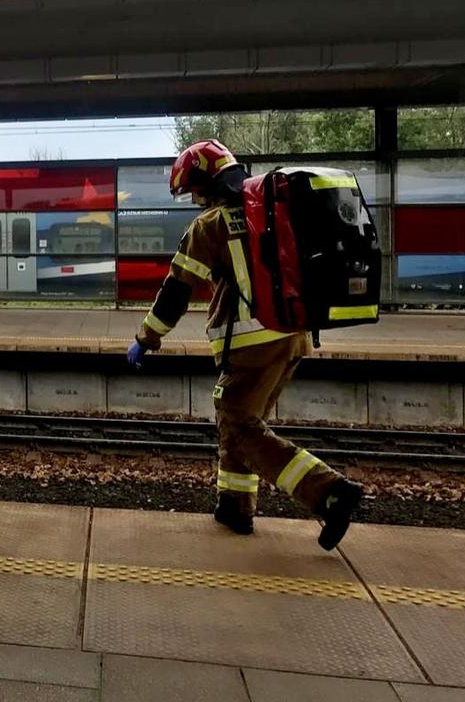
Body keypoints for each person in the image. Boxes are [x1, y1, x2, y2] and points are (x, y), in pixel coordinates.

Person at [127, 139, 364, 551]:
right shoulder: (270, 213)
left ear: (207, 183)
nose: (195, 200)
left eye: (195, 191)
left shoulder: (209, 226)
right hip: (292, 336)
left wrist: (146, 338)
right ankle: (235, 506)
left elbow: (176, 291)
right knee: (239, 421)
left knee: (239, 426)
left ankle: (328, 491)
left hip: (253, 344)